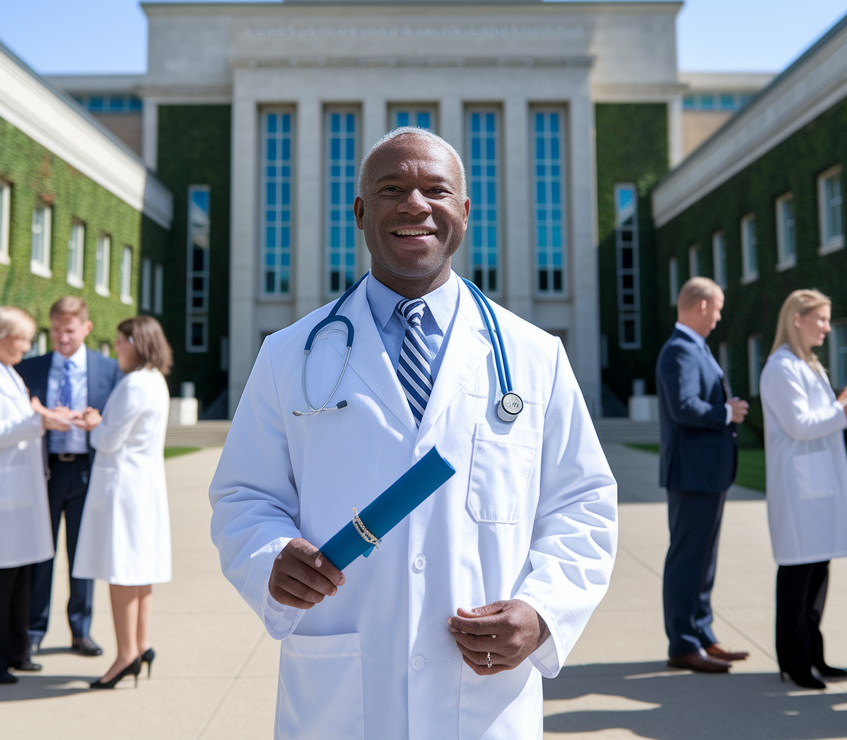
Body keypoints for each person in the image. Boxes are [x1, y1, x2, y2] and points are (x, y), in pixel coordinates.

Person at [209, 127, 618, 738]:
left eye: (436, 189)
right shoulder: (287, 354)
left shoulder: (535, 357)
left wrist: (543, 611)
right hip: (341, 688)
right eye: (392, 188)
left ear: (464, 211)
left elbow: (582, 505)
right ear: (360, 211)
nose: (415, 205)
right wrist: (270, 556)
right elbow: (243, 496)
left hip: (483, 695)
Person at [759, 289, 847, 689]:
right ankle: (794, 660)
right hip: (798, 488)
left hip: (817, 485)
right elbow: (801, 425)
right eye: (821, 319)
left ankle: (815, 655)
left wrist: (843, 404)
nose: (826, 327)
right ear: (797, 319)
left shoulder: (809, 365)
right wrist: (846, 407)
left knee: (818, 572)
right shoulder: (780, 368)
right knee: (798, 575)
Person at [0, 306, 76, 684]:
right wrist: (37, 421)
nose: (27, 347)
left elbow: (26, 417)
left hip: (21, 491)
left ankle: (16, 650)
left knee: (21, 576)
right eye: (21, 339)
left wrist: (43, 416)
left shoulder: (7, 373)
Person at [15, 297, 121, 657]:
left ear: (86, 329)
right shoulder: (29, 369)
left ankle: (81, 630)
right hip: (44, 471)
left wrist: (98, 422)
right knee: (40, 554)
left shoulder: (108, 370)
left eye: (70, 330)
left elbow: (119, 422)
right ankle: (33, 630)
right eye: (57, 330)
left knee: (83, 554)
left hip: (87, 470)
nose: (62, 338)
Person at [656, 276, 751, 674]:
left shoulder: (695, 348)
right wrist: (727, 412)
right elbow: (685, 408)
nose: (719, 316)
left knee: (703, 563)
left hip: (706, 473)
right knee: (688, 560)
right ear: (701, 306)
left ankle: (703, 635)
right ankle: (683, 644)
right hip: (692, 473)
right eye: (717, 308)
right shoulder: (680, 350)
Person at [73, 315, 173, 689]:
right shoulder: (156, 382)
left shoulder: (133, 385)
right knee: (140, 570)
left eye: (119, 340)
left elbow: (108, 440)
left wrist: (93, 423)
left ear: (136, 341)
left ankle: (125, 654)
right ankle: (141, 645)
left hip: (123, 490)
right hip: (142, 486)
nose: (115, 347)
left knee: (121, 573)